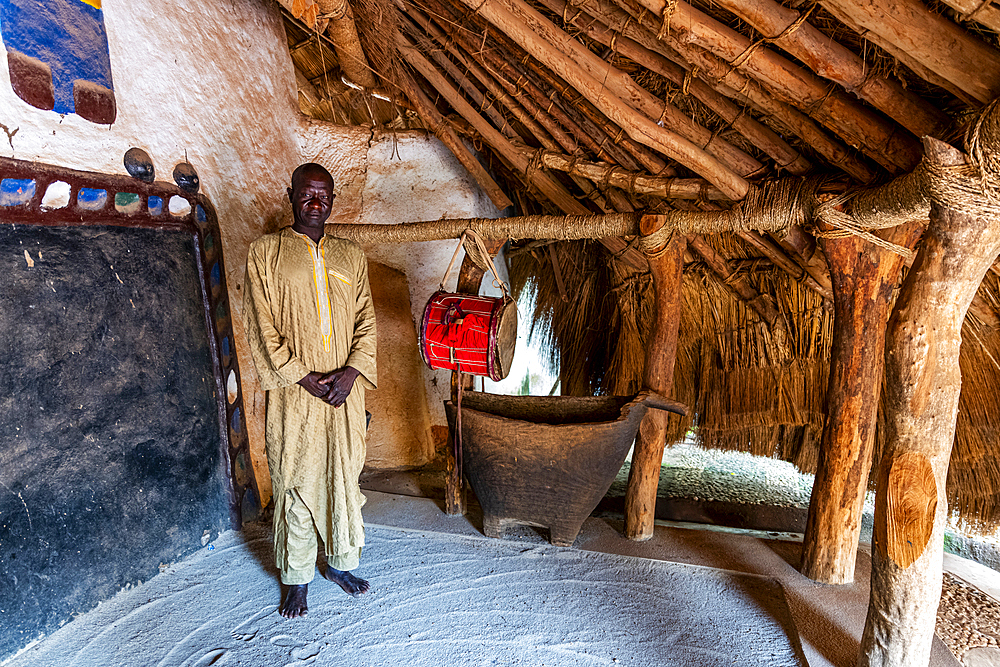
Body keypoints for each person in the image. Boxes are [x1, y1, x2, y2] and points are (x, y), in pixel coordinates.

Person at [242, 163, 377, 619]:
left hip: (344, 392)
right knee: (296, 479)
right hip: (295, 393)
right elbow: (261, 325)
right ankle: (297, 578)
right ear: (291, 195)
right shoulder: (265, 252)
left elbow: (366, 321)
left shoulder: (351, 255)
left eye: (324, 195)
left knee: (343, 475)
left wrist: (352, 372)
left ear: (333, 200)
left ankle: (339, 564)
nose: (316, 203)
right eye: (307, 194)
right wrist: (302, 375)